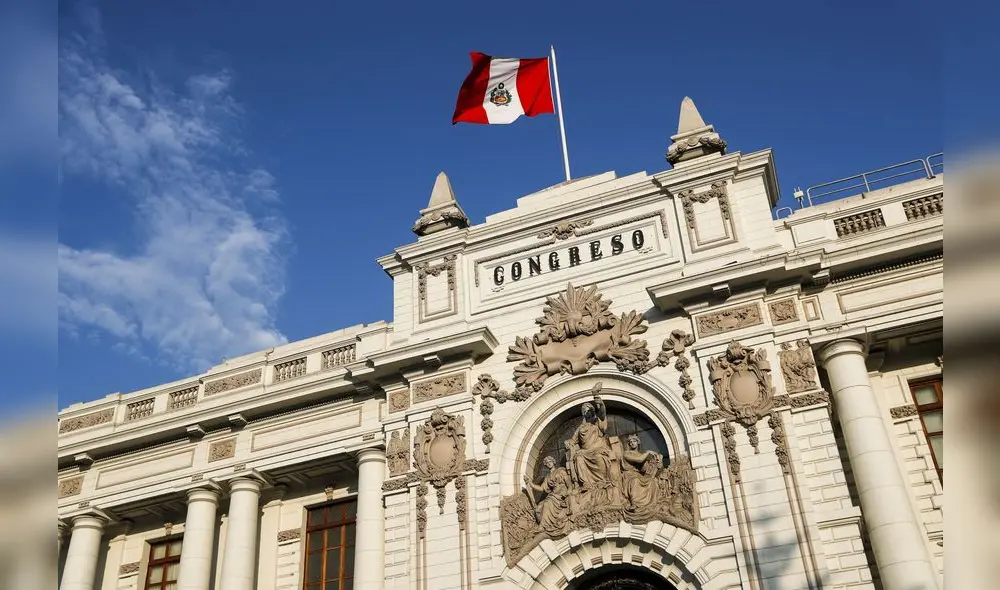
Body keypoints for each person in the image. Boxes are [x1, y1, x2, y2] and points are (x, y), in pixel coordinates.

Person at [523, 456, 575, 537]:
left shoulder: (560, 471)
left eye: (550, 461)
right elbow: (541, 488)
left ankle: (542, 526)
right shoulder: (547, 477)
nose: (548, 463)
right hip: (553, 494)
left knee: (547, 503)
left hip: (562, 493)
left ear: (553, 462)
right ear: (545, 465)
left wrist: (569, 492)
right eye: (546, 463)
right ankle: (544, 525)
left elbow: (569, 483)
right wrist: (530, 483)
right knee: (539, 507)